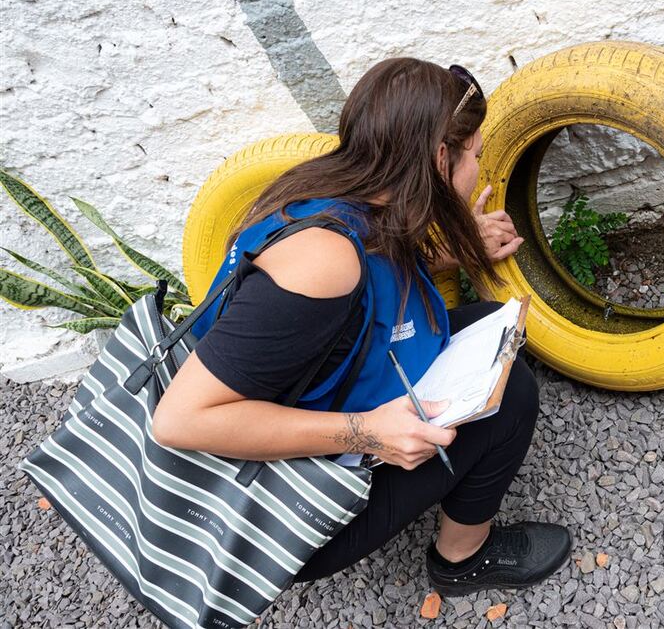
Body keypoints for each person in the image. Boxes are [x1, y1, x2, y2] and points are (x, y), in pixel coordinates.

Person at [151, 58, 571, 596]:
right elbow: (180, 420)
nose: (478, 170)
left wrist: (453, 251)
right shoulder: (321, 262)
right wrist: (369, 433)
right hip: (270, 511)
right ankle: (463, 562)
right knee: (509, 392)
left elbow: (369, 284)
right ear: (441, 160)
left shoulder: (334, 188)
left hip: (302, 410)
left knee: (490, 328)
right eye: (476, 156)